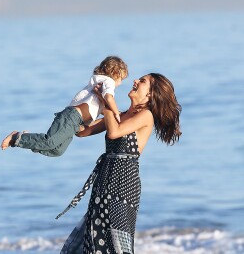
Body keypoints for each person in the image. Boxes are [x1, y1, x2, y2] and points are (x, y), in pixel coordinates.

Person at [56, 73, 182, 253]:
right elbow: (82, 132)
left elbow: (114, 132)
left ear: (150, 95)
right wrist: (80, 110)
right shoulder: (119, 114)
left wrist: (106, 98)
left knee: (117, 242)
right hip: (104, 181)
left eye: (142, 81)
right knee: (94, 234)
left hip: (123, 185)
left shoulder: (146, 116)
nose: (135, 81)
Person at [0, 56, 128, 157]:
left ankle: (28, 140)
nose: (120, 83)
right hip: (72, 117)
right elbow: (109, 98)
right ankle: (18, 137)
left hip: (74, 121)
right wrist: (117, 113)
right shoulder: (108, 81)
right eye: (121, 79)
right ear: (115, 73)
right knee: (49, 142)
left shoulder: (99, 83)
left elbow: (100, 107)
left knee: (57, 151)